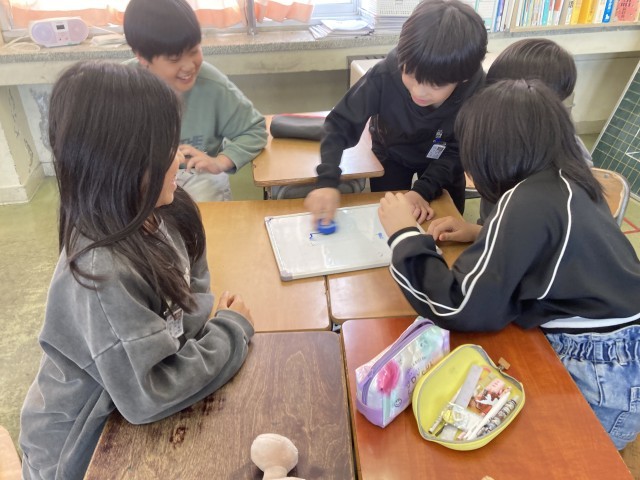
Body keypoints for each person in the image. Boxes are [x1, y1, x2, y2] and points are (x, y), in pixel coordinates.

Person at [19, 61, 255, 479]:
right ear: (120, 164)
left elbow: (193, 296)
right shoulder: (101, 270)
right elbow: (150, 394)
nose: (178, 157)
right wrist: (232, 331)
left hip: (131, 414)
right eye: (164, 148)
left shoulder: (172, 210)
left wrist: (205, 336)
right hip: (81, 445)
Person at [378, 78, 640, 450]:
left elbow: (460, 307)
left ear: (493, 151)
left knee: (516, 451)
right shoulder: (569, 179)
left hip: (597, 375)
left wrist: (403, 234)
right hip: (621, 360)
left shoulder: (526, 200)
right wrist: (480, 231)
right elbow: (549, 249)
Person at [304, 0, 487, 226]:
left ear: (463, 78)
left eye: (435, 85)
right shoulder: (384, 74)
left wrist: (423, 190)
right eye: (410, 74)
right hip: (392, 151)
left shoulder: (476, 92)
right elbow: (340, 123)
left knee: (445, 226)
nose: (418, 91)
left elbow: (460, 150)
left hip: (446, 160)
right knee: (388, 221)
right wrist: (327, 180)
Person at [434, 37, 596, 240]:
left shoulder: (563, 176)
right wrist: (478, 232)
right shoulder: (500, 139)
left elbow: (532, 241)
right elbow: (503, 230)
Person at [123, 0, 267, 202]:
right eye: (174, 59)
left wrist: (220, 162)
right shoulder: (119, 87)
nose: (189, 66)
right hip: (141, 178)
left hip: (196, 176)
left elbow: (254, 130)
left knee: (205, 200)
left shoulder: (212, 85)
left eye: (194, 51)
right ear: (142, 57)